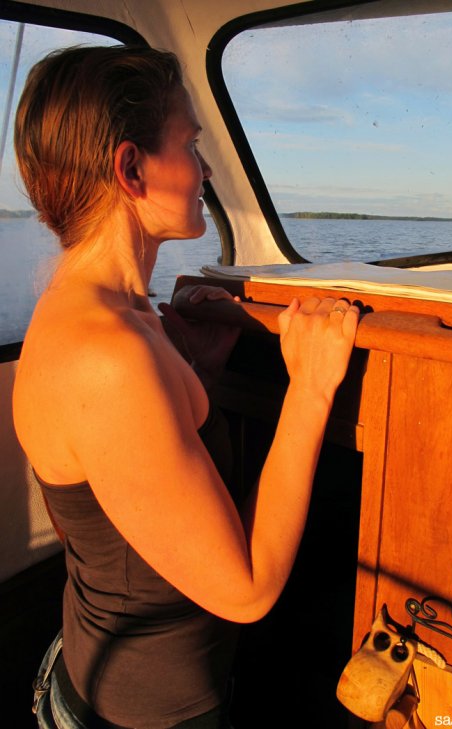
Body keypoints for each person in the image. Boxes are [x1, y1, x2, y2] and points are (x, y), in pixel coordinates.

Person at [12, 45, 359, 729]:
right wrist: (310, 388)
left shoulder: (119, 312)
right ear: (131, 167)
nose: (203, 171)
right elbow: (247, 590)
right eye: (191, 146)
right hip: (144, 714)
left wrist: (197, 371)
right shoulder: (107, 355)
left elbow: (127, 497)